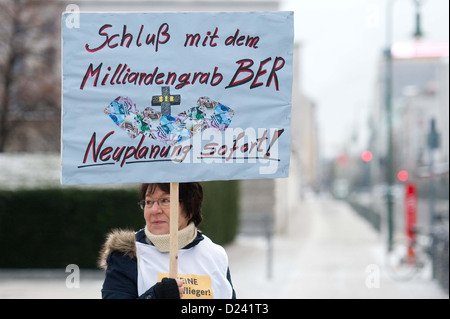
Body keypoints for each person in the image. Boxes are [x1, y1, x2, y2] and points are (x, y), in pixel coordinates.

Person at [98, 182, 236, 299]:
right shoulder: (128, 255)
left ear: (190, 207)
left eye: (165, 200)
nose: (154, 210)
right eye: (149, 202)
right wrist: (155, 296)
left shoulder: (215, 255)